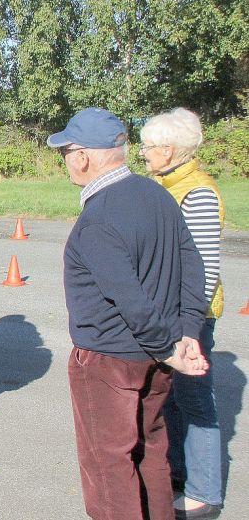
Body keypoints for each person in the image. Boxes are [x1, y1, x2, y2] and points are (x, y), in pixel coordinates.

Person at [49, 107, 210, 520]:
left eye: (66, 151)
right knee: (150, 452)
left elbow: (129, 297)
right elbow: (193, 265)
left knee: (108, 467)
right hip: (157, 354)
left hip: (109, 360)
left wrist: (171, 341)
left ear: (82, 156)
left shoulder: (98, 218)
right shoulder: (157, 195)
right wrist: (186, 332)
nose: (66, 159)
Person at [140, 108, 225, 519]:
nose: (143, 154)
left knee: (195, 401)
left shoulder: (199, 193)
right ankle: (177, 472)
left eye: (149, 147)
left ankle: (204, 493)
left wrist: (190, 329)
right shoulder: (168, 185)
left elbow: (205, 269)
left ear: (169, 150)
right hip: (168, 312)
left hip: (191, 318)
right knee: (172, 397)